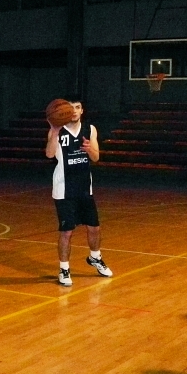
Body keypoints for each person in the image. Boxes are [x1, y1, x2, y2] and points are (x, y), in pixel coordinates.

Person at [44, 96, 113, 286]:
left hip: (84, 188)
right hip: (63, 189)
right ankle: (64, 269)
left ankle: (95, 257)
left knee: (94, 228)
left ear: (82, 110)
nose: (74, 111)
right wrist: (54, 133)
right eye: (70, 107)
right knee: (66, 232)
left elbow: (96, 158)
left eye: (77, 107)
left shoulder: (90, 129)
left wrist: (90, 149)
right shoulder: (57, 130)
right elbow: (49, 154)